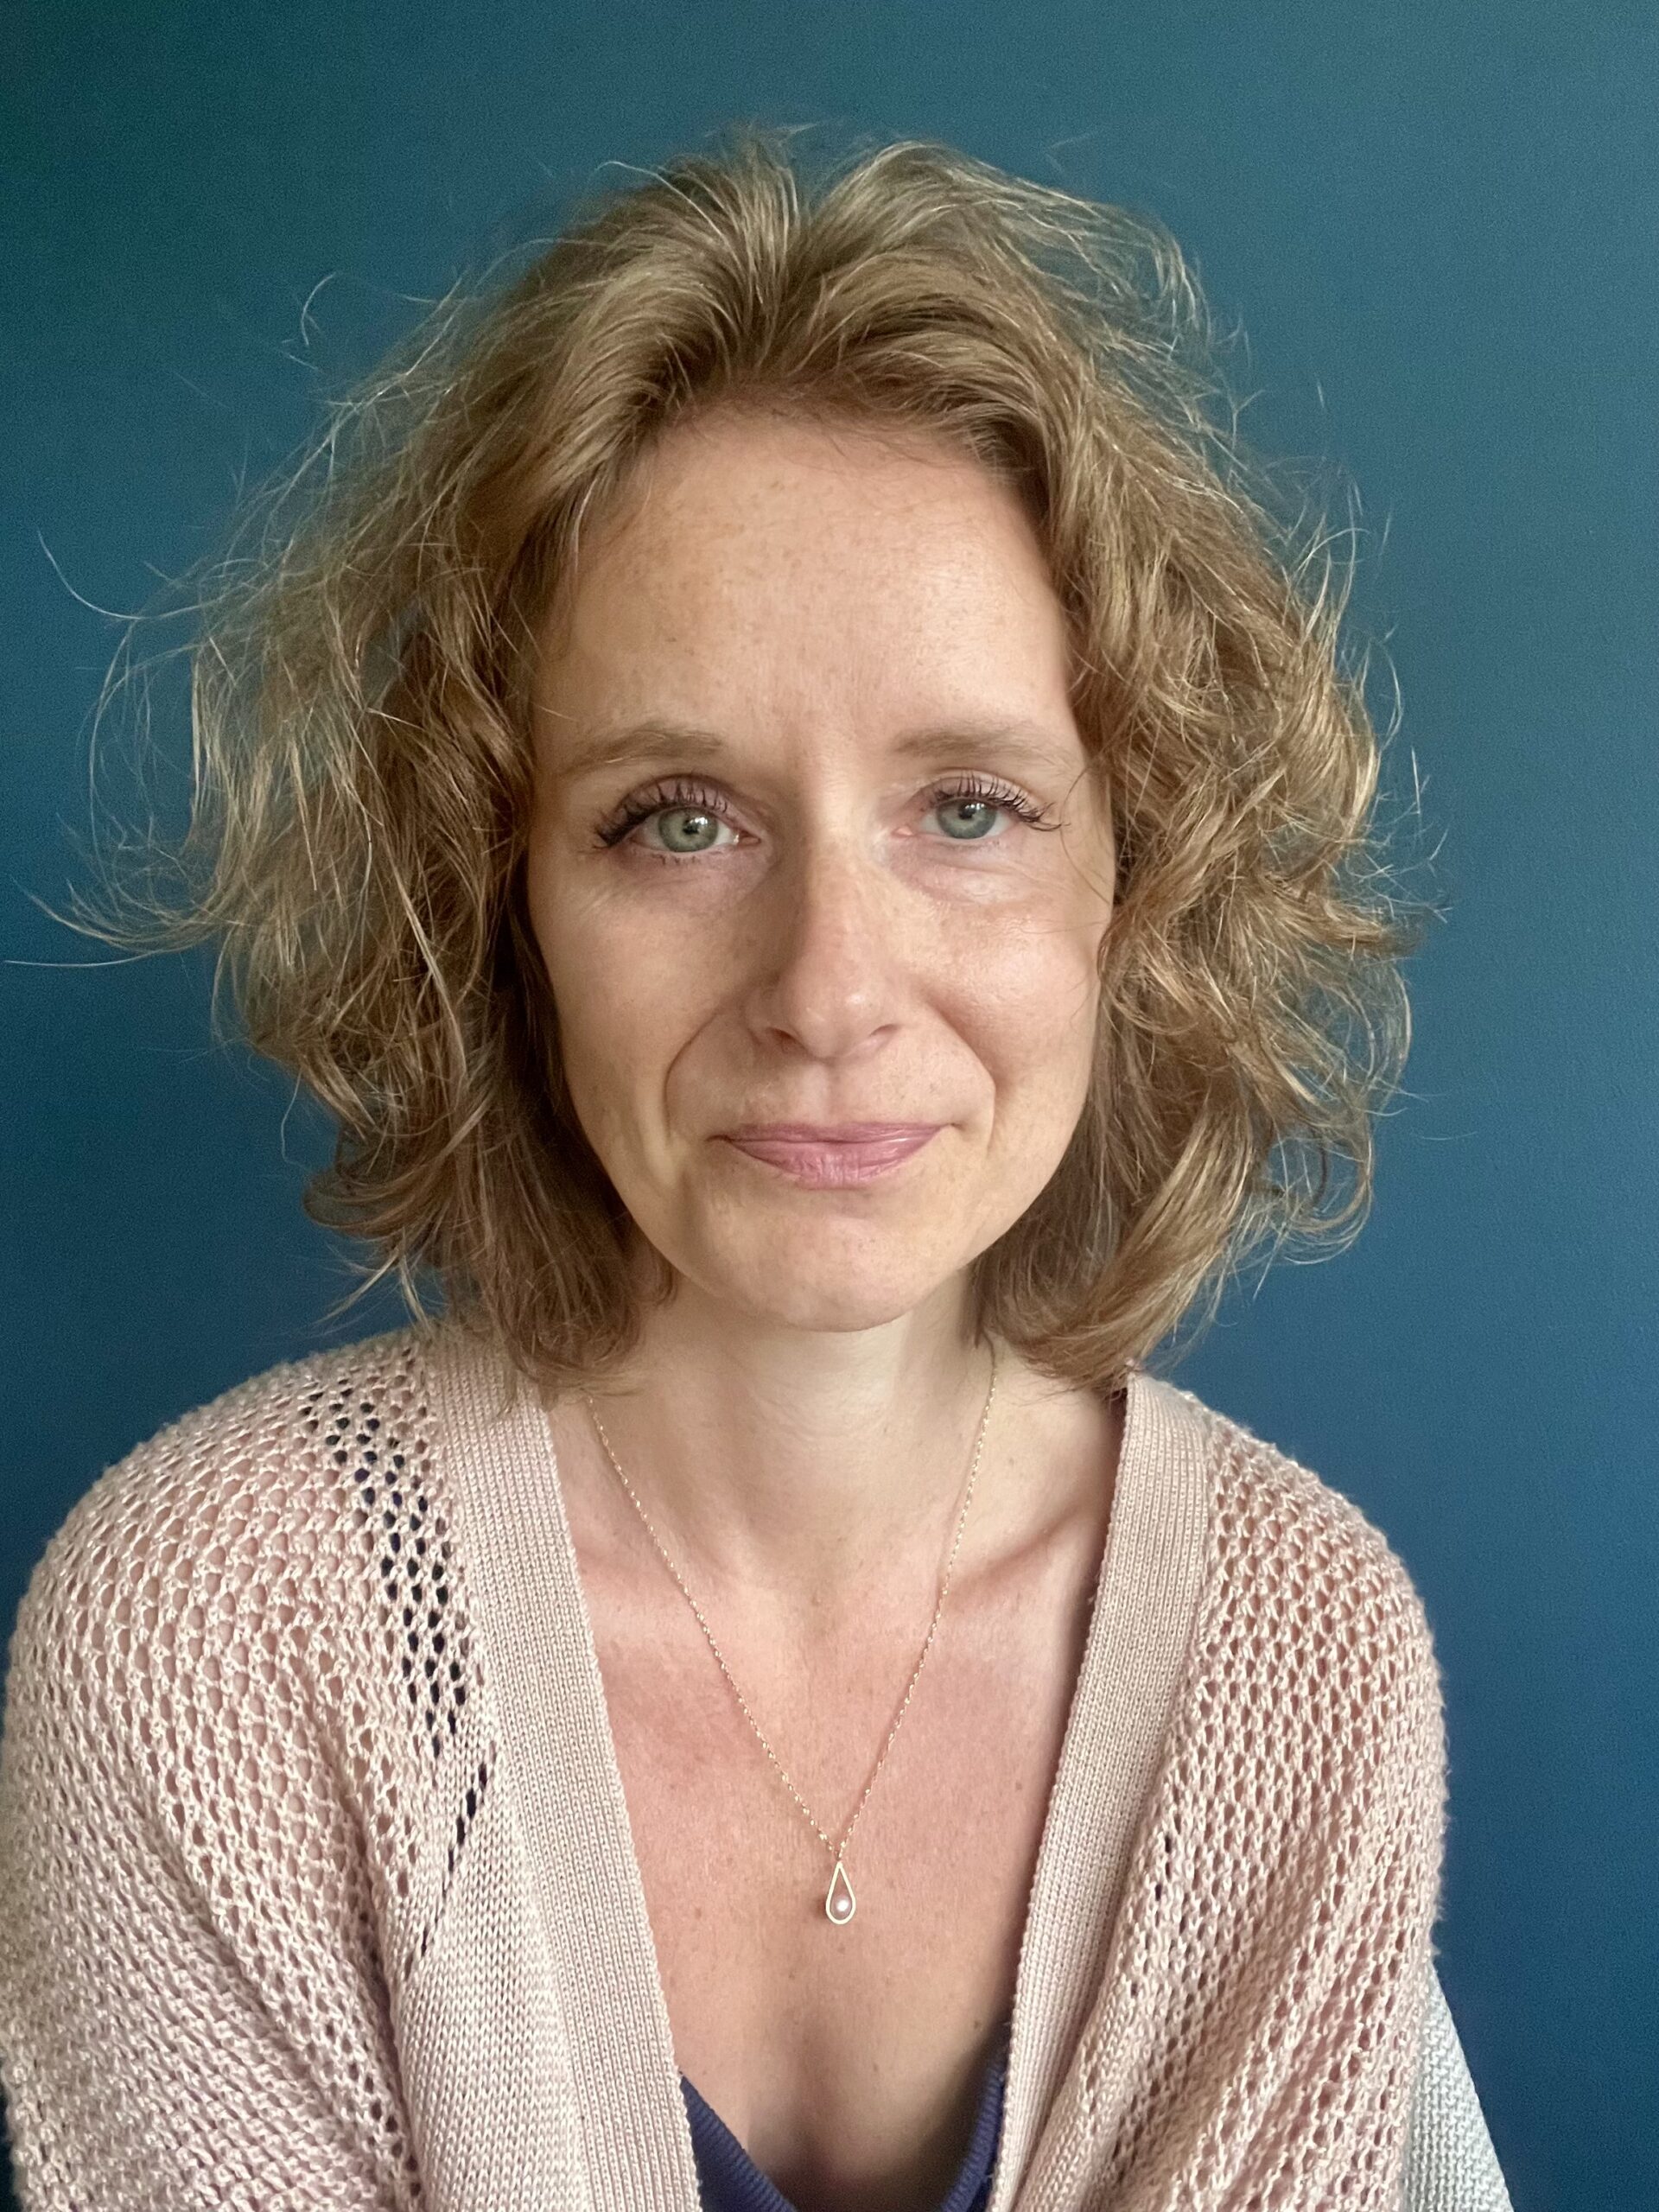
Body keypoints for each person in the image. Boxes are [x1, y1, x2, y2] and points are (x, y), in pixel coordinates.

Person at [0, 131, 1512, 2211]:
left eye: (968, 808)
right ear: (497, 896)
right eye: (677, 819)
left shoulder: (1300, 1658)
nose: (828, 990)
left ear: (1133, 884)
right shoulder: (211, 1647)